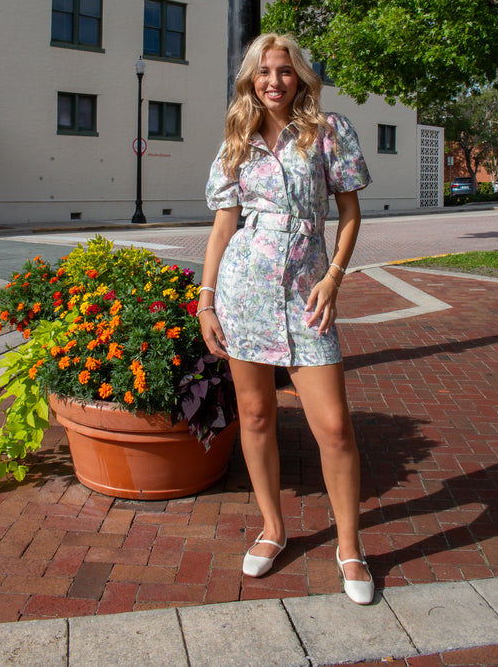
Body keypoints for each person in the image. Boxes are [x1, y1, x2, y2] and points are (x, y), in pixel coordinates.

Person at [198, 32, 374, 605]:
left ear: (300, 77)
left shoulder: (328, 132)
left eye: (285, 71)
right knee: (253, 415)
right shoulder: (237, 141)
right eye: (264, 72)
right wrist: (205, 298)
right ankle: (274, 529)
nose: (274, 81)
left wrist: (335, 277)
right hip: (244, 289)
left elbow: (348, 213)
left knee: (334, 426)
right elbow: (224, 226)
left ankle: (349, 546)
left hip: (308, 294)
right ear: (251, 79)